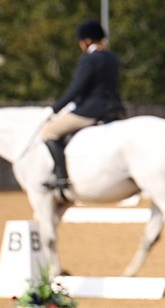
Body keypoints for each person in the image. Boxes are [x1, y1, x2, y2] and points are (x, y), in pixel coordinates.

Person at [41, 19, 126, 191]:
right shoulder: (112, 57)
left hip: (91, 110)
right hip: (115, 108)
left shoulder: (88, 59)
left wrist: (54, 108)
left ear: (87, 41)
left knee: (49, 132)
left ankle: (61, 178)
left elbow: (76, 89)